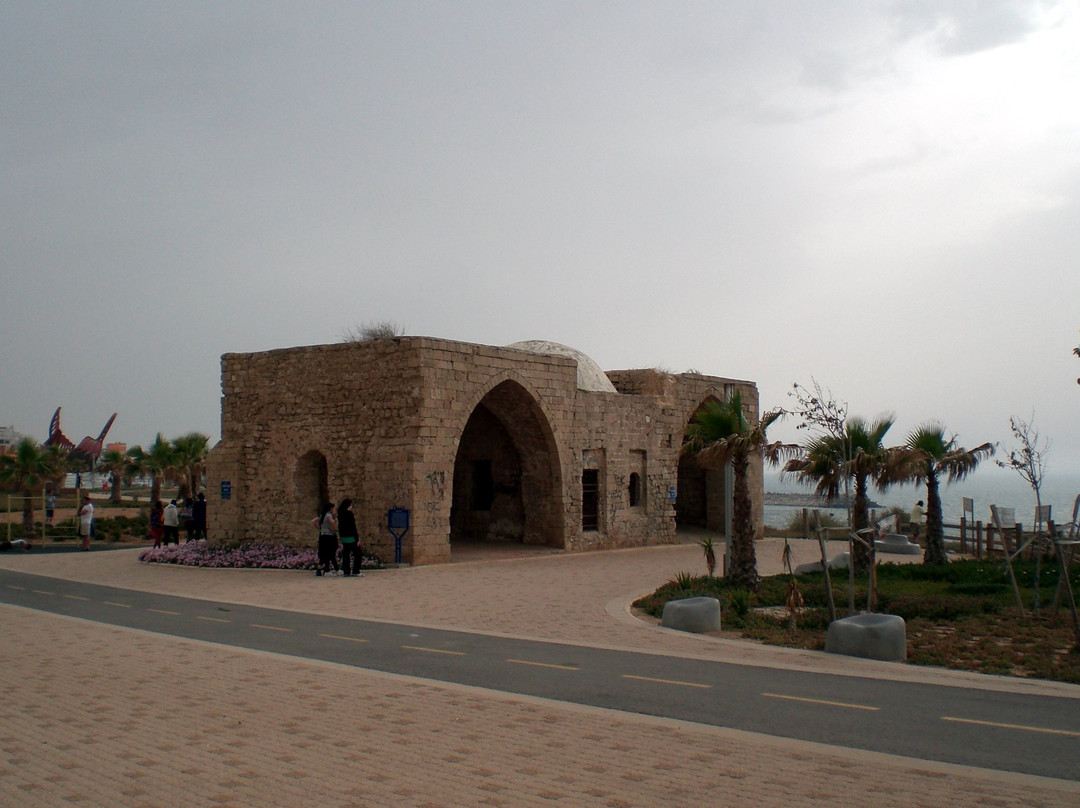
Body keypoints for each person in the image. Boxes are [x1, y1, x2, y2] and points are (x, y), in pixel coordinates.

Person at [310, 502, 339, 576]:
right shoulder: (329, 515)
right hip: (329, 536)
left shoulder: (322, 515)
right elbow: (332, 522)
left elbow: (313, 522)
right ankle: (327, 570)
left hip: (322, 536)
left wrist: (320, 529)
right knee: (329, 552)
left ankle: (320, 570)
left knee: (324, 553)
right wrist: (333, 526)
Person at [337, 498, 363, 578]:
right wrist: (357, 539)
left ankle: (346, 571)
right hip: (351, 537)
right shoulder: (349, 514)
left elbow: (340, 527)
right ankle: (356, 570)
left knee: (346, 555)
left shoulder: (340, 514)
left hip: (344, 537)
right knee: (358, 553)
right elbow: (353, 527)